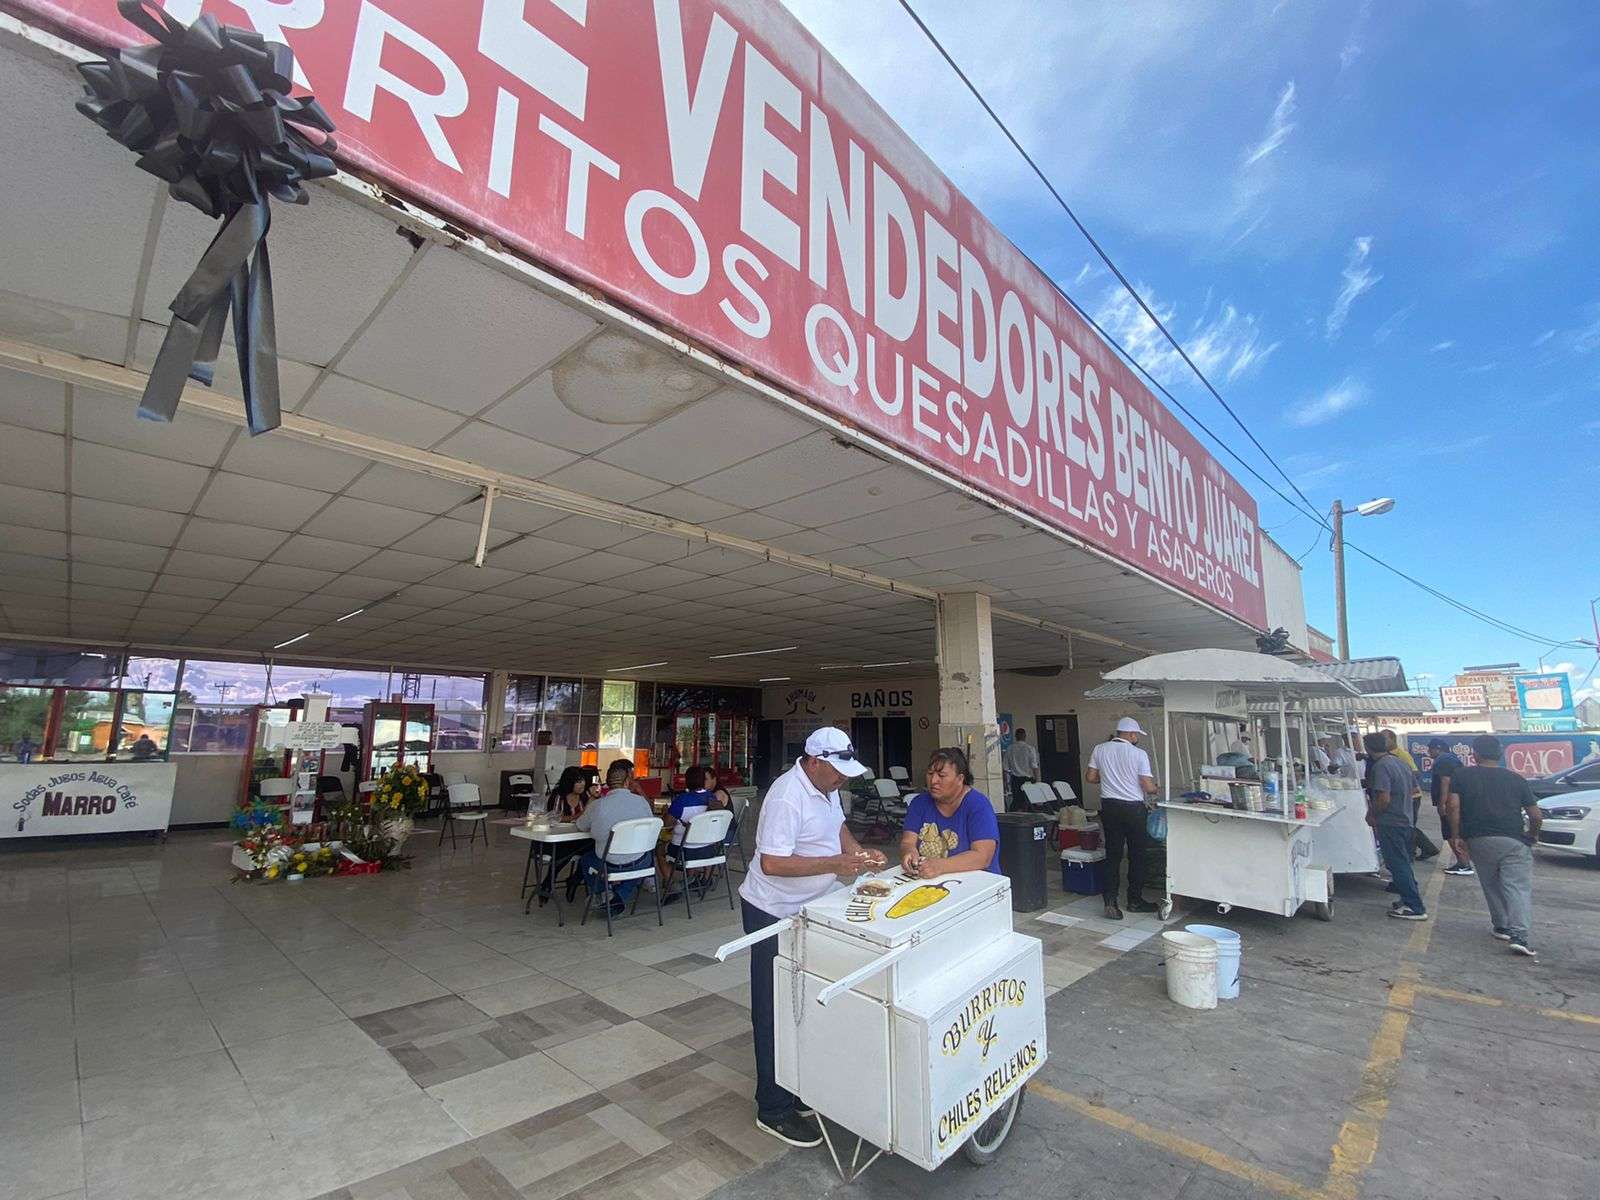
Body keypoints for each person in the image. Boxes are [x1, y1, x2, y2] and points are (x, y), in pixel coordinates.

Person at [739, 727, 885, 1148]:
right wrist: (835, 863)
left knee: (804, 1001)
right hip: (771, 910)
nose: (842, 779)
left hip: (811, 906)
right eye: (837, 771)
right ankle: (773, 1107)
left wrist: (857, 854)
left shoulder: (826, 788)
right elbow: (772, 863)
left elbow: (839, 829)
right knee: (772, 1008)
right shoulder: (787, 796)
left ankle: (797, 1086)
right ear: (814, 761)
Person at [1447, 735, 1541, 957]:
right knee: (1516, 887)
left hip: (1478, 839)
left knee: (1490, 883)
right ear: (1500, 755)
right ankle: (1519, 935)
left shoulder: (1462, 775)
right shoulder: (1516, 779)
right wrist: (1532, 835)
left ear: (1475, 754)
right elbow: (1535, 815)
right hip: (1513, 840)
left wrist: (1456, 835)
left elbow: (1453, 806)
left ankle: (1501, 925)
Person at [1086, 717, 1159, 919]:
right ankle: (1134, 900)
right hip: (1133, 808)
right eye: (1136, 734)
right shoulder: (1139, 754)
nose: (1137, 738)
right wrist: (1156, 789)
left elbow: (1091, 778)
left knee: (1113, 855)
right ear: (1130, 734)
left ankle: (1110, 901)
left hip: (1109, 807)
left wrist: (1109, 777)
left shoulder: (1099, 749)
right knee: (1137, 855)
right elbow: (1147, 785)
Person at [900, 746, 1000, 877]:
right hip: (928, 880)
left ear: (960, 779)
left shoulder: (978, 805)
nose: (933, 781)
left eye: (941, 775)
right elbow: (908, 842)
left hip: (977, 882)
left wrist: (940, 865)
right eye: (930, 774)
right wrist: (909, 853)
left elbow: (983, 857)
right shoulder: (919, 803)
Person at [574, 759, 655, 914]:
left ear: (607, 783)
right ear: (627, 781)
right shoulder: (641, 802)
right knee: (643, 859)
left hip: (608, 862)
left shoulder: (597, 805)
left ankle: (605, 895)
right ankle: (619, 896)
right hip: (640, 862)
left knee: (586, 860)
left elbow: (580, 826)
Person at [1364, 732, 1426, 920]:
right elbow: (1414, 788)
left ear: (1368, 748)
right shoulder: (1400, 762)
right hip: (1405, 819)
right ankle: (1408, 898)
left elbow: (1383, 797)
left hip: (1391, 822)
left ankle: (1414, 906)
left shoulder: (1382, 767)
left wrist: (1372, 814)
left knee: (1397, 864)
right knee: (1403, 863)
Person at [660, 764, 718, 896]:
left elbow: (667, 824)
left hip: (685, 850)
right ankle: (694, 879)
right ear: (703, 780)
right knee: (694, 839)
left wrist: (666, 812)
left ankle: (672, 886)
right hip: (709, 849)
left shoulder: (681, 800)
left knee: (659, 850)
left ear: (687, 781)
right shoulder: (712, 798)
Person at [1383, 729, 1438, 861]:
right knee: (1406, 825)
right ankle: (1420, 849)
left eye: (1384, 739)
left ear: (1392, 740)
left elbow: (1415, 773)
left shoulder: (1402, 755)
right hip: (1402, 796)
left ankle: (1423, 849)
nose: (1383, 742)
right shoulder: (1387, 755)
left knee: (1407, 825)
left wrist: (1401, 784)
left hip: (1411, 796)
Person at [1427, 738, 1473, 877]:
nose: (1429, 752)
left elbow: (1446, 781)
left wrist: (1442, 803)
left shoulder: (1444, 760)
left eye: (1431, 749)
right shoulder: (1451, 759)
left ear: (1438, 748)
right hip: (1456, 800)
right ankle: (1463, 863)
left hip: (1451, 802)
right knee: (1453, 833)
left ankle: (1464, 864)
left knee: (1451, 833)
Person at [1002, 726, 1040, 811]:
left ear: (1015, 736)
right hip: (1027, 780)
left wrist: (1005, 783)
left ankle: (1014, 818)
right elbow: (1034, 766)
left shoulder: (1010, 749)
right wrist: (1037, 781)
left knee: (1016, 801)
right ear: (1025, 736)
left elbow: (1005, 768)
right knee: (1029, 802)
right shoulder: (1030, 749)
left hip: (1015, 780)